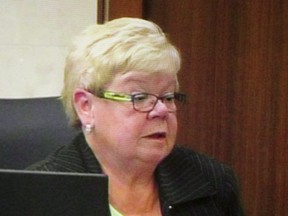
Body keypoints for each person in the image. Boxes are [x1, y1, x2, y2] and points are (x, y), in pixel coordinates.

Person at [28, 17, 244, 215]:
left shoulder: (212, 182)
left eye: (168, 97)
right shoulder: (37, 193)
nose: (161, 110)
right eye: (139, 97)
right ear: (86, 106)